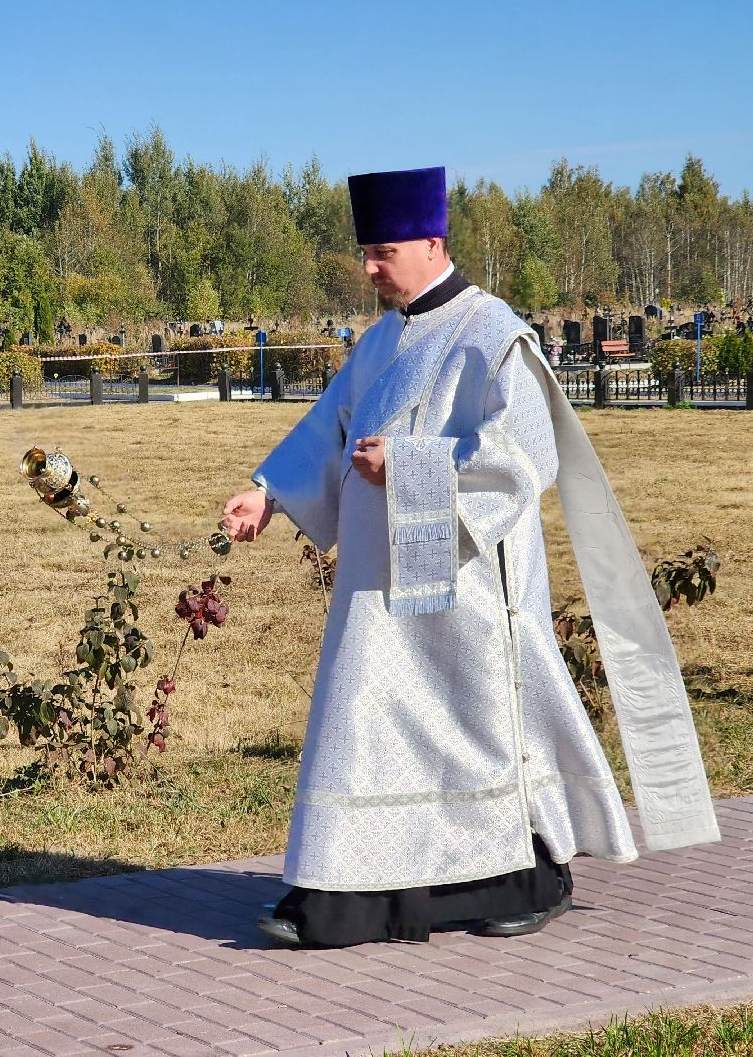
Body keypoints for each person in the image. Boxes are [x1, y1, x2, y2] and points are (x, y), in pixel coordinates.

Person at [221, 166, 719, 949]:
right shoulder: (383, 339)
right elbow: (329, 428)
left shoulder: (495, 337)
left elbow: (524, 460)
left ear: (431, 242)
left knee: (476, 727)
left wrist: (410, 468)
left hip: (473, 584)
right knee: (371, 718)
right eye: (365, 252)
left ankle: (530, 877)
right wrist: (270, 495)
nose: (368, 268)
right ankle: (349, 893)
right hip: (378, 588)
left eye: (382, 251)